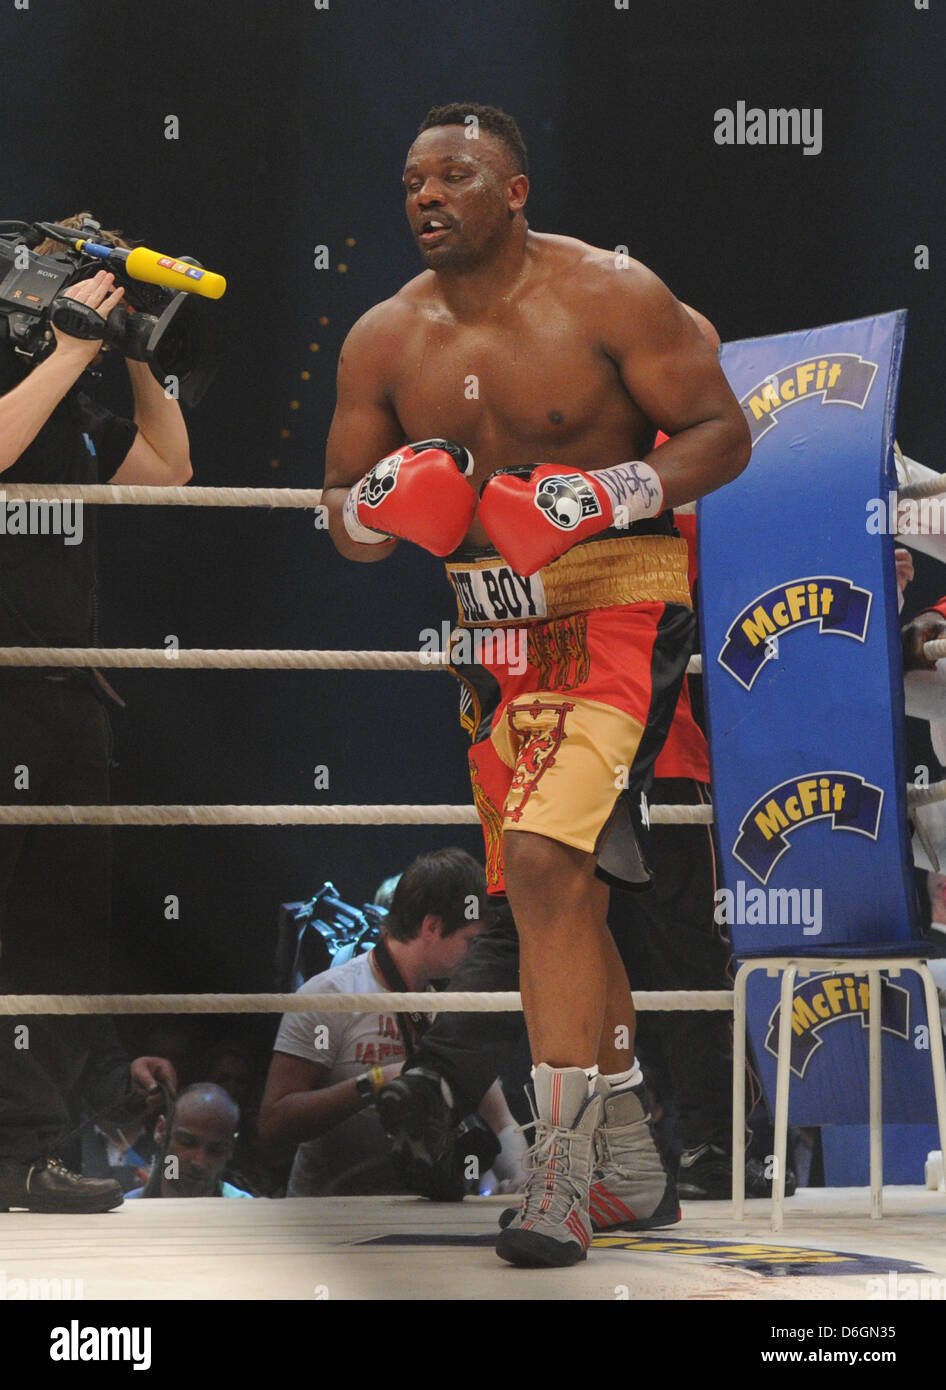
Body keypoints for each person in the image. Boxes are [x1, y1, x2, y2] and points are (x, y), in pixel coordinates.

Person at [322, 103, 750, 1266]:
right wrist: (378, 509)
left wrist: (606, 491)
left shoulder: (611, 295)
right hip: (488, 629)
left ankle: (556, 1174)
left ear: (514, 189)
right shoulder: (381, 338)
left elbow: (722, 429)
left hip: (616, 594)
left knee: (555, 869)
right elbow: (344, 520)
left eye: (453, 174)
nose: (426, 195)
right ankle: (630, 1160)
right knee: (559, 897)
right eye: (412, 178)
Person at [0, 212, 193, 1214]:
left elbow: (171, 470)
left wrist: (133, 355)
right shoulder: (27, 391)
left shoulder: (66, 410)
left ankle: (30, 1151)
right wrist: (67, 348)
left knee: (59, 936)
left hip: (69, 700)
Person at [258, 849, 520, 1195]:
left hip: (427, 1223)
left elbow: (501, 1122)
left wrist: (521, 1177)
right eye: (471, 942)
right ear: (432, 927)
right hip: (330, 1223)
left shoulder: (453, 1004)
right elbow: (273, 1125)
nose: (478, 957)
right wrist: (378, 1081)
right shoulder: (331, 994)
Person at [128, 1083, 253, 1199]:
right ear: (161, 1131)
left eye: (216, 1150)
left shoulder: (249, 1213)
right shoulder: (128, 1210)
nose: (199, 1162)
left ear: (231, 1149)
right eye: (187, 1142)